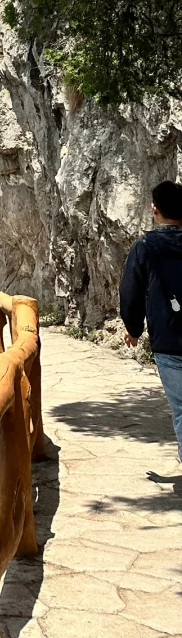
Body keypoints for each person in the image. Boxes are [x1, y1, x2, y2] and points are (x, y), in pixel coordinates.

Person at [120, 179, 182, 459]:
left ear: (154, 209)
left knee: (181, 409)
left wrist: (133, 328)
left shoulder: (146, 246)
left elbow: (130, 291)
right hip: (168, 343)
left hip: (169, 342)